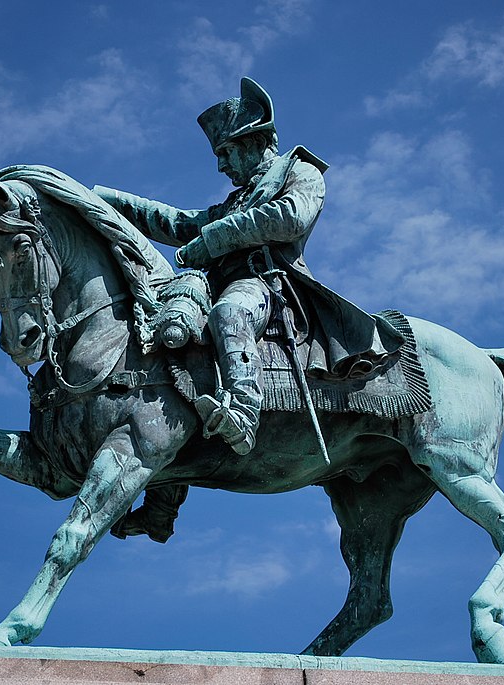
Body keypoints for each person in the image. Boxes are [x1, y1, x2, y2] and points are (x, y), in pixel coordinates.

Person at [95, 78, 398, 541]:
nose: (221, 165)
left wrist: (214, 239)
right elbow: (175, 221)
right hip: (221, 284)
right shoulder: (235, 200)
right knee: (166, 360)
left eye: (226, 153)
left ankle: (243, 410)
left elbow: (291, 216)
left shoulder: (301, 172)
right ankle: (161, 505)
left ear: (254, 143)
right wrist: (106, 198)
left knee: (228, 315)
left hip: (270, 285)